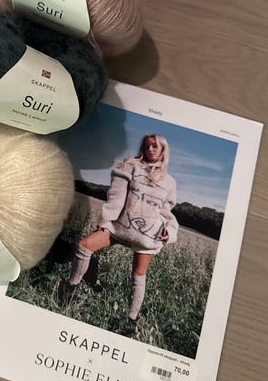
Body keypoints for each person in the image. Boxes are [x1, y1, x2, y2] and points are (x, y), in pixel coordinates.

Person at [58, 133, 179, 321]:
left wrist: (169, 232)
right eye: (147, 146)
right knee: (84, 246)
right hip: (119, 227)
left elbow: (166, 212)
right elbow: (117, 196)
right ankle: (69, 290)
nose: (150, 149)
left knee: (138, 275)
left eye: (155, 146)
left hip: (147, 236)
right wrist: (106, 221)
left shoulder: (170, 182)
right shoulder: (131, 166)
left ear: (163, 149)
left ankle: (131, 320)